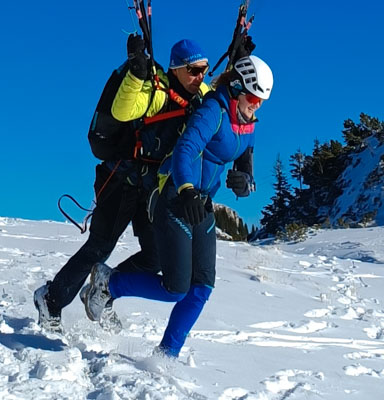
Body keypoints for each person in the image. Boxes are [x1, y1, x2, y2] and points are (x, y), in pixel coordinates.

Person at [83, 55, 274, 358]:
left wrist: (244, 175)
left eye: (263, 100)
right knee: (176, 288)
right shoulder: (214, 110)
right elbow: (187, 149)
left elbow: (244, 147)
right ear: (236, 87)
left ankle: (166, 357)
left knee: (202, 288)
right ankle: (109, 284)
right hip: (176, 195)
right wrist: (186, 190)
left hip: (202, 200)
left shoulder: (246, 119)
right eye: (253, 97)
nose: (257, 105)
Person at [33, 36, 212, 333]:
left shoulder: (201, 93)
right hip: (121, 179)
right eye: (193, 70)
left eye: (203, 69)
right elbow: (123, 111)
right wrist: (136, 72)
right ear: (177, 69)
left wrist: (237, 62)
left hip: (153, 188)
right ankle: (51, 299)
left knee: (155, 255)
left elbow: (221, 100)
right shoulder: (154, 88)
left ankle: (103, 290)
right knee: (100, 246)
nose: (200, 76)